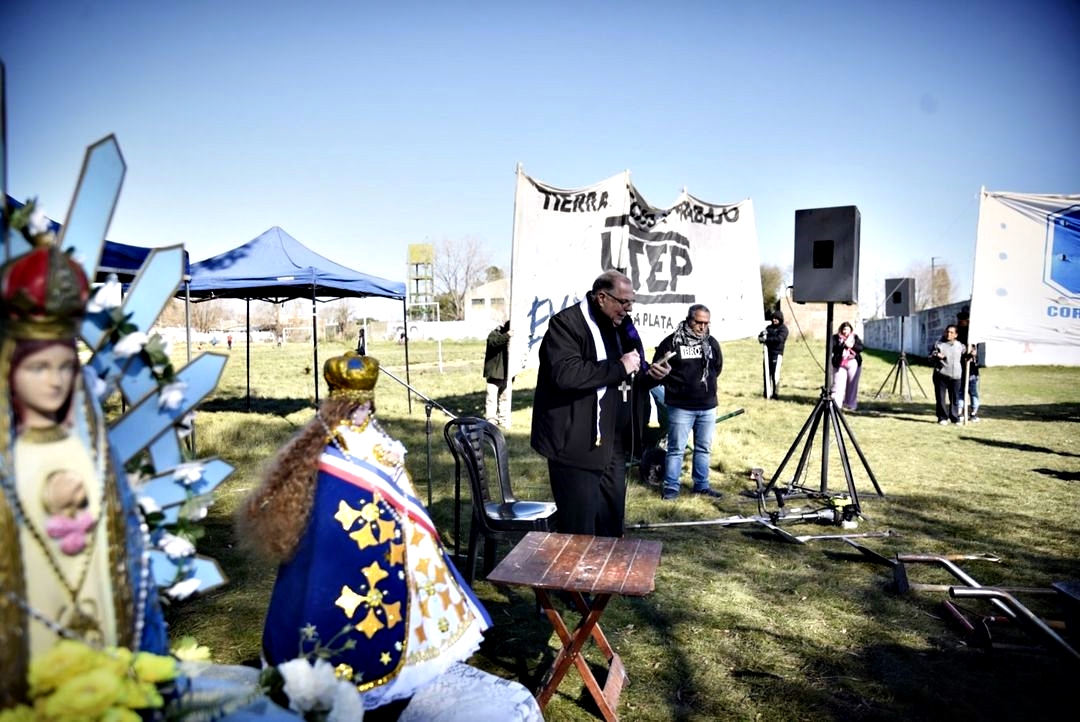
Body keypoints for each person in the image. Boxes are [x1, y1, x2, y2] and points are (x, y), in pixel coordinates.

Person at [237, 351, 540, 720]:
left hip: (399, 547)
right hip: (352, 553)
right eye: (356, 404)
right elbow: (339, 506)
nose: (364, 410)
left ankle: (392, 683)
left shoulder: (371, 433)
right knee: (334, 616)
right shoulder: (329, 449)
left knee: (405, 620)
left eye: (367, 403)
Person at [0, 230, 168, 706]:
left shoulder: (88, 447)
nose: (54, 381)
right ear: (11, 370)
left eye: (64, 367)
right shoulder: (11, 455)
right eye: (38, 369)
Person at [530, 270, 670, 537]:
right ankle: (576, 577)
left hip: (613, 444)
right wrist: (620, 367)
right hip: (576, 444)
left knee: (611, 522)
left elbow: (625, 377)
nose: (628, 309)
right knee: (579, 528)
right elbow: (566, 374)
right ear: (602, 297)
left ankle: (607, 576)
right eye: (623, 302)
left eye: (632, 302)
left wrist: (649, 378)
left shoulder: (621, 329)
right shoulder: (567, 325)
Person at [653, 305, 724, 500]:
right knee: (676, 449)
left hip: (708, 406)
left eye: (706, 323)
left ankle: (701, 486)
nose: (702, 327)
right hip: (680, 407)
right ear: (688, 319)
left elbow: (716, 369)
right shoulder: (671, 343)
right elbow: (658, 370)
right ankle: (671, 487)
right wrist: (677, 387)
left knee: (703, 448)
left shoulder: (712, 343)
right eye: (698, 322)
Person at [930, 324, 965, 425]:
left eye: (951, 332)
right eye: (947, 332)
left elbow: (967, 353)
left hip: (956, 376)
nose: (948, 334)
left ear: (956, 335)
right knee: (941, 398)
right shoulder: (938, 344)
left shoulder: (960, 346)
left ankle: (954, 417)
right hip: (941, 375)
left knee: (955, 398)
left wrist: (972, 352)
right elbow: (930, 355)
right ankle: (942, 417)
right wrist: (936, 355)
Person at [483, 320, 513, 428]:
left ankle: (503, 418)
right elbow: (493, 343)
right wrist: (507, 336)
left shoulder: (513, 338)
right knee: (491, 398)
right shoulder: (495, 334)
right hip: (495, 373)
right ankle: (491, 420)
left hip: (506, 374)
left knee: (505, 398)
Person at [830, 321, 864, 411]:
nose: (845, 331)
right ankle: (836, 404)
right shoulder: (835, 338)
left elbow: (861, 348)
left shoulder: (855, 337)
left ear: (851, 330)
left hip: (853, 362)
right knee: (838, 384)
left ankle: (850, 403)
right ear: (841, 329)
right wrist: (843, 344)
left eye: (847, 329)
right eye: (844, 329)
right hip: (840, 363)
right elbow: (833, 348)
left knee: (852, 384)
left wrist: (852, 346)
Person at [956, 307, 980, 422]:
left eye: (963, 319)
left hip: (972, 369)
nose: (961, 321)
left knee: (973, 391)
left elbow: (977, 349)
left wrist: (974, 353)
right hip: (959, 367)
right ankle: (959, 413)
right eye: (960, 319)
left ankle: (973, 413)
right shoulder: (956, 333)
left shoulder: (973, 333)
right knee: (960, 391)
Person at [758, 309, 788, 399]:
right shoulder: (769, 328)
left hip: (777, 354)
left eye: (776, 318)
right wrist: (760, 337)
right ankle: (766, 393)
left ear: (780, 319)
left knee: (775, 374)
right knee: (767, 374)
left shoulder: (783, 329)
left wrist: (766, 340)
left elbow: (779, 339)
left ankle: (775, 394)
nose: (774, 320)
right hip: (767, 354)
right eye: (773, 318)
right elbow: (761, 335)